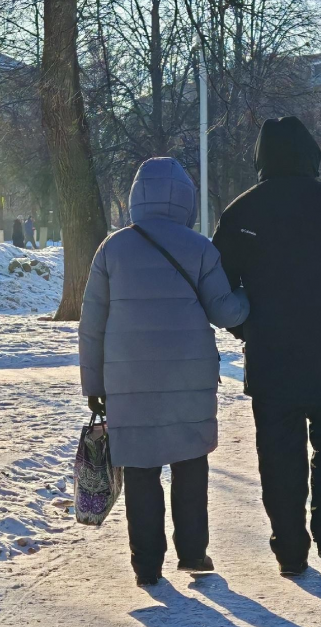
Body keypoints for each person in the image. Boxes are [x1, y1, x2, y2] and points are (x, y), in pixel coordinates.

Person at [213, 116, 321, 577]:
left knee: (279, 454)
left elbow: (220, 283)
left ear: (261, 157)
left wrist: (247, 329)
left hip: (271, 356)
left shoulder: (242, 212)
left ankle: (289, 549)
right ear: (311, 153)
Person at [79, 157, 249, 587]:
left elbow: (92, 324)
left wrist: (93, 384)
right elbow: (226, 312)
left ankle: (146, 565)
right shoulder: (200, 248)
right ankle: (193, 553)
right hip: (188, 378)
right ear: (186, 200)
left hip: (128, 381)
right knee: (190, 464)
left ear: (136, 197)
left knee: (140, 470)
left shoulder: (112, 249)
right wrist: (249, 295)